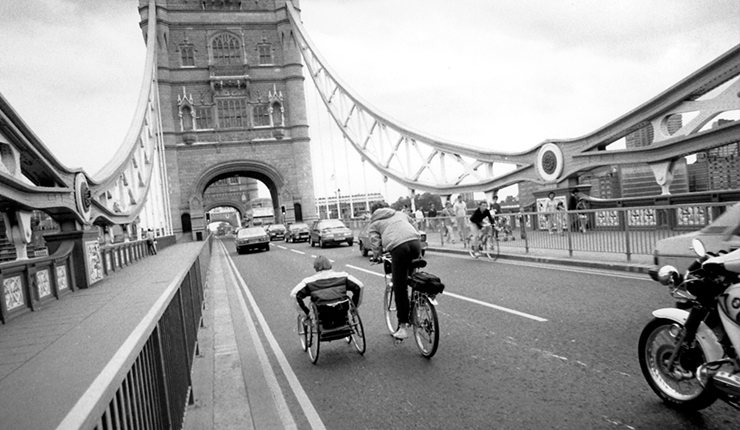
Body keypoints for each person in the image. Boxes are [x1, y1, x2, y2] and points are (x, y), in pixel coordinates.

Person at [368, 201, 422, 340]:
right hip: (416, 243)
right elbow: (414, 224)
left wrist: (376, 256)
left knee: (399, 286)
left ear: (373, 212)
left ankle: (403, 327)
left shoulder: (374, 223)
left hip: (399, 247)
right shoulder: (400, 214)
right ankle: (421, 298)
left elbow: (375, 242)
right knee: (412, 275)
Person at [290, 255, 364, 325]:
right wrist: (354, 307)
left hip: (323, 312)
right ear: (330, 265)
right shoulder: (343, 276)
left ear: (315, 268)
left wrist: (306, 314)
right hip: (341, 309)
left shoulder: (309, 282)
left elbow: (294, 294)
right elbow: (359, 286)